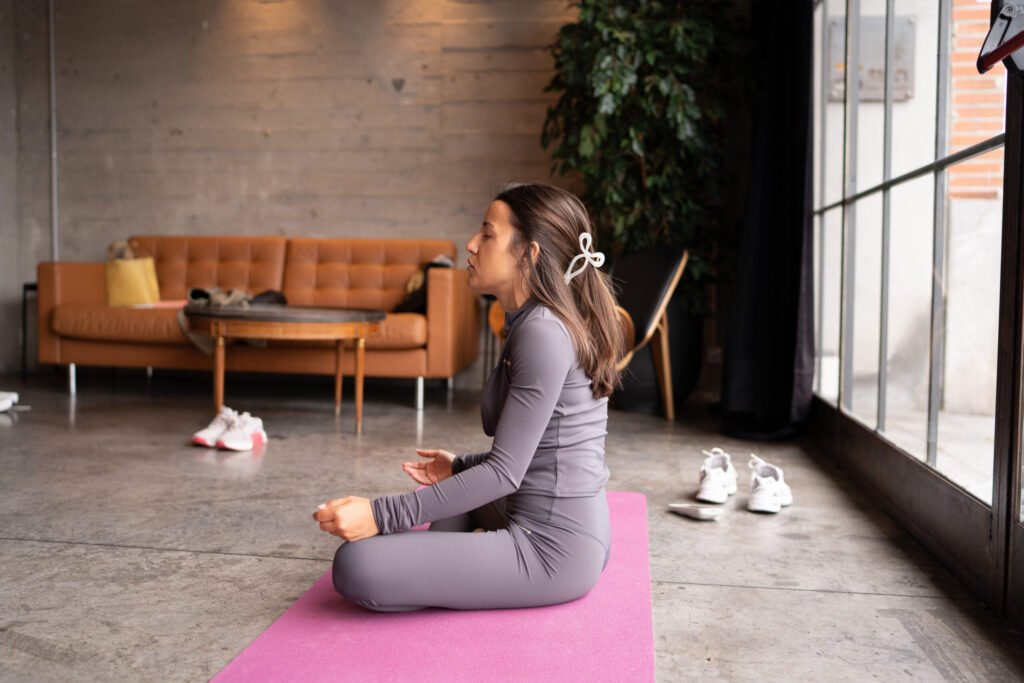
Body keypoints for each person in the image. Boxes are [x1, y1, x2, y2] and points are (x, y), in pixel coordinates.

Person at [312, 183, 625, 612]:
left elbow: (505, 473)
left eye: (487, 234)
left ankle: (439, 570)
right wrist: (460, 466)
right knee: (456, 497)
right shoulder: (532, 320)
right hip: (539, 515)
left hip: (552, 548)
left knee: (355, 565)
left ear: (528, 254)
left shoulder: (541, 332)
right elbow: (542, 449)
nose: (471, 244)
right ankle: (445, 568)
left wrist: (380, 514)